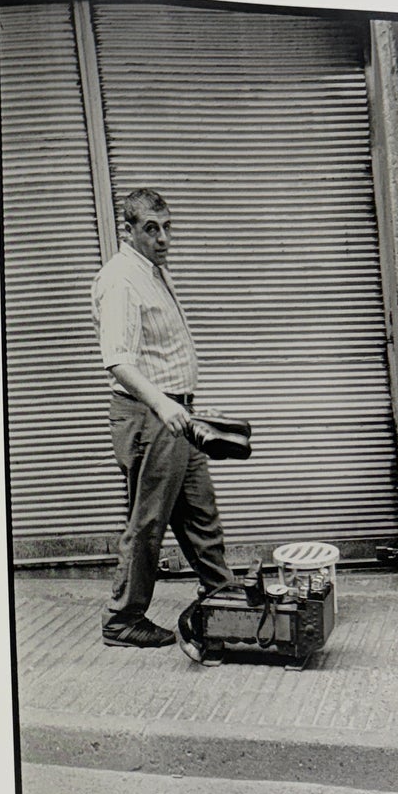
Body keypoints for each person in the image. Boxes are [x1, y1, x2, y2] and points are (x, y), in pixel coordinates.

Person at [89, 188, 237, 648]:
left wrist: (182, 406)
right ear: (128, 230)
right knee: (149, 520)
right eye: (151, 228)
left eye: (167, 227)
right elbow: (118, 360)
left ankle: (223, 594)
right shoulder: (121, 280)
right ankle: (123, 618)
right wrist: (165, 405)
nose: (163, 238)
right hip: (153, 416)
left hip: (175, 414)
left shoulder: (152, 272)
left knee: (199, 510)